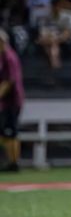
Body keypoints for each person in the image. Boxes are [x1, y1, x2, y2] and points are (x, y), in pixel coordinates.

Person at [0, 30, 24, 172]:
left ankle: (14, 162)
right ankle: (11, 161)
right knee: (6, 132)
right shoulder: (3, 57)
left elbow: (9, 81)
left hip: (12, 101)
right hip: (7, 102)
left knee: (10, 131)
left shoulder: (9, 57)